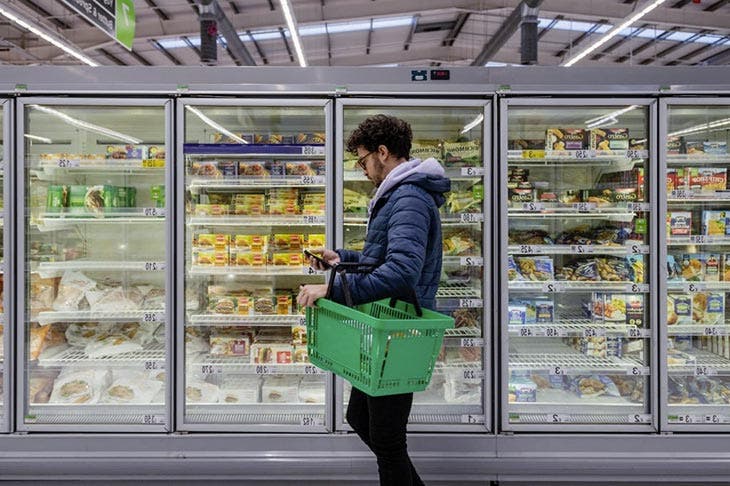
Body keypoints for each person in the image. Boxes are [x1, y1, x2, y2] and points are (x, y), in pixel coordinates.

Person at [296, 114, 451, 486]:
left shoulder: (409, 197)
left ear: (383, 152)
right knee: (361, 420)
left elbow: (400, 272)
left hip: (398, 330)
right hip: (386, 325)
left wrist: (332, 289)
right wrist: (342, 259)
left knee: (387, 439)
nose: (362, 169)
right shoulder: (398, 193)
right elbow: (385, 259)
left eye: (363, 160)